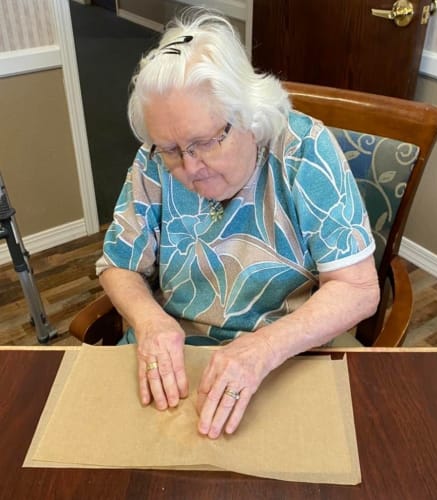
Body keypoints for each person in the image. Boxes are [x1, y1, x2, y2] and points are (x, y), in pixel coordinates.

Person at [96, 8, 380, 439]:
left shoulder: (305, 151)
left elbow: (358, 289)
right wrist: (150, 322)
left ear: (249, 114)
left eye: (205, 143)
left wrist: (261, 348)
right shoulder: (153, 160)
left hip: (288, 356)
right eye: (171, 150)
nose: (189, 168)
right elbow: (119, 263)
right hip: (177, 350)